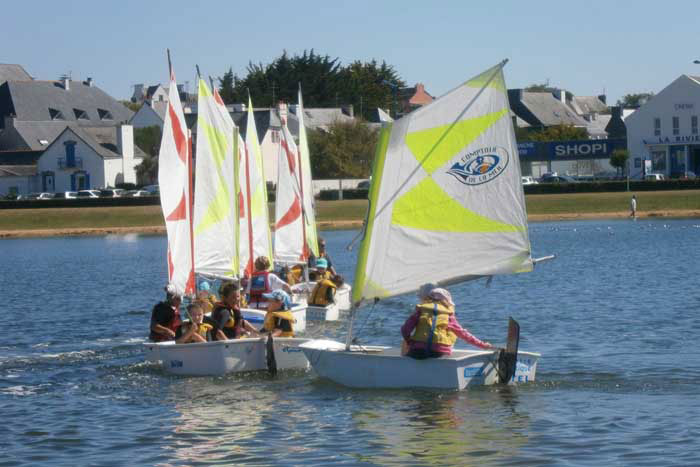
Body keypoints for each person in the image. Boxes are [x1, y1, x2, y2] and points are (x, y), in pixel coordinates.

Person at [401, 286, 494, 359]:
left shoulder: (421, 310)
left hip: (418, 351)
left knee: (408, 346)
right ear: (446, 301)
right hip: (440, 352)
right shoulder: (448, 314)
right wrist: (483, 345)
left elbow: (405, 330)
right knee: (454, 332)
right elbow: (463, 334)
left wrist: (410, 342)